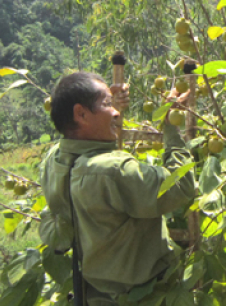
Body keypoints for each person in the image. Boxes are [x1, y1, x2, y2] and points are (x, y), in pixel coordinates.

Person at [40, 72, 195, 305]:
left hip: (94, 295)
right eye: (107, 105)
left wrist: (105, 100)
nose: (115, 112)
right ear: (80, 114)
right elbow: (181, 184)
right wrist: (170, 128)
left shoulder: (53, 160)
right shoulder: (113, 171)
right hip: (143, 296)